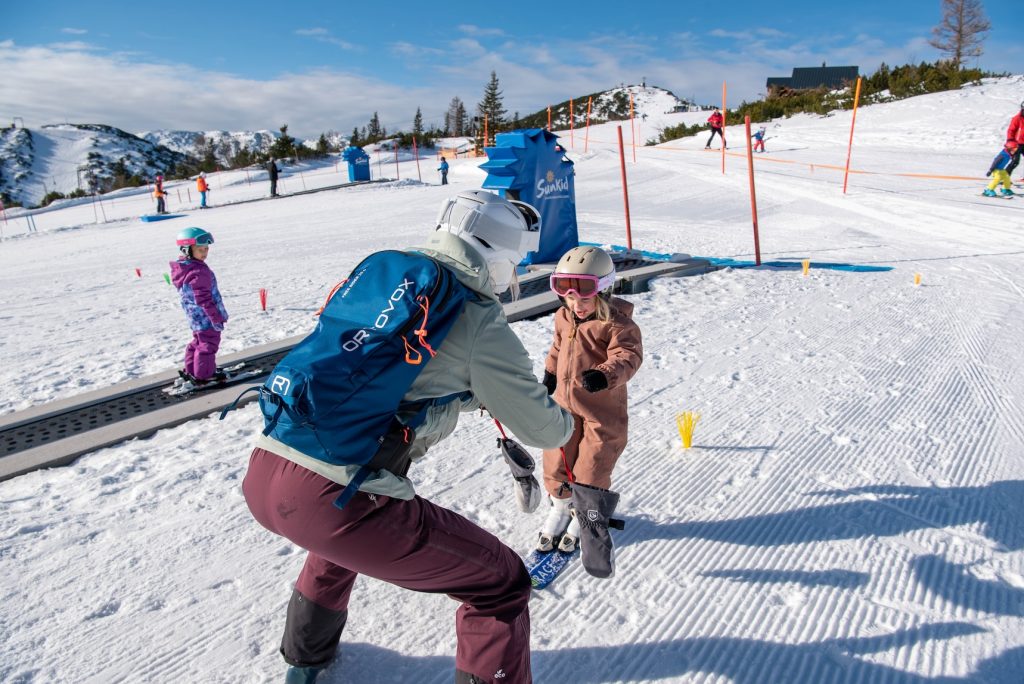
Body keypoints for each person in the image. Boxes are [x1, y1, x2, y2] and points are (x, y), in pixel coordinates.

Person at [242, 190, 573, 684]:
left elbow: (397, 382)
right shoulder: (475, 313)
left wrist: (465, 396)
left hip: (269, 467)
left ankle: (304, 662)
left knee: (334, 548)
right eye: (518, 258)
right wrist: (567, 417)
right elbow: (543, 427)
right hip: (334, 500)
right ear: (500, 253)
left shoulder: (400, 281)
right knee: (501, 582)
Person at [538, 246, 643, 578]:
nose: (575, 302)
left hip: (602, 415)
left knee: (591, 470)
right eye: (566, 292)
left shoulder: (617, 323)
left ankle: (584, 517)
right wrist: (551, 373)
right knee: (557, 462)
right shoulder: (564, 316)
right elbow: (558, 347)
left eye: (584, 293)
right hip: (565, 408)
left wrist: (606, 374)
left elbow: (628, 355)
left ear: (603, 289)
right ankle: (559, 508)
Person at [170, 227, 228, 385]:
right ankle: (204, 375)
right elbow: (203, 297)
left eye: (206, 249)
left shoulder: (184, 268)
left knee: (197, 342)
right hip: (206, 316)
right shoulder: (198, 270)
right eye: (200, 249)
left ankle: (192, 369)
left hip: (195, 317)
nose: (204, 253)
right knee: (208, 345)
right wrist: (215, 316)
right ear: (187, 249)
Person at [1006, 100, 1024, 181]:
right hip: (1016, 144)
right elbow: (1011, 130)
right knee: (1015, 161)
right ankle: (1004, 178)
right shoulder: (1017, 118)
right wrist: (1010, 140)